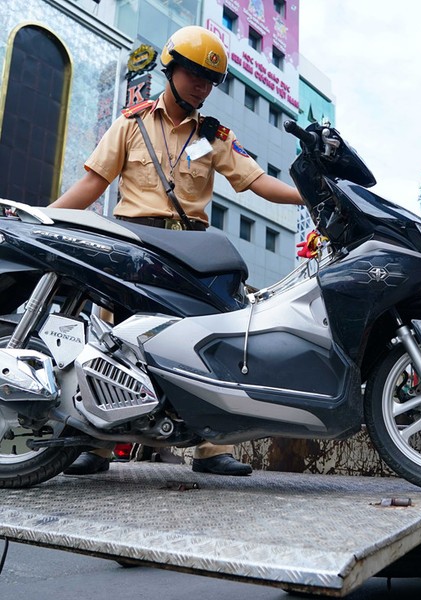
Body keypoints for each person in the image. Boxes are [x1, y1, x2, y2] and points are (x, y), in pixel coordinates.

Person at [52, 25, 304, 477]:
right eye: (193, 75)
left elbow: (256, 182)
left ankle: (209, 447)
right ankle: (99, 443)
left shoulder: (212, 136)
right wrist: (43, 216)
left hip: (190, 251)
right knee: (115, 342)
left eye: (209, 80)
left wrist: (308, 196)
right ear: (171, 70)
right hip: (134, 244)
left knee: (205, 342)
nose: (202, 86)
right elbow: (93, 184)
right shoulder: (131, 124)